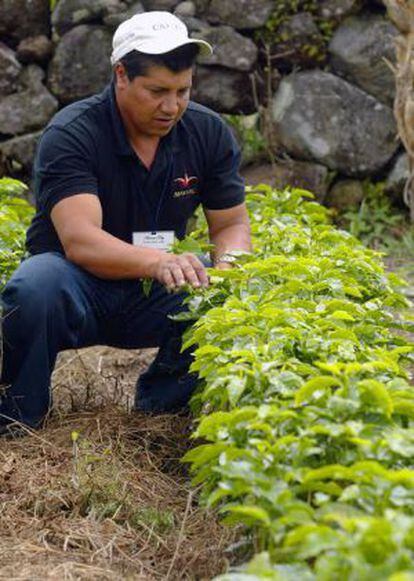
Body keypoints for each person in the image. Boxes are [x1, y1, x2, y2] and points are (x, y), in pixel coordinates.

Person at [0, 11, 252, 433]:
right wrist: (156, 262)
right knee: (34, 284)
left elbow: (230, 226)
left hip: (156, 291)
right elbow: (80, 241)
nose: (171, 106)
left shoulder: (207, 133)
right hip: (77, 286)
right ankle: (18, 420)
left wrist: (229, 274)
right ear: (121, 75)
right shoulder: (73, 133)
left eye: (182, 91)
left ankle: (162, 416)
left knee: (218, 293)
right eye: (156, 91)